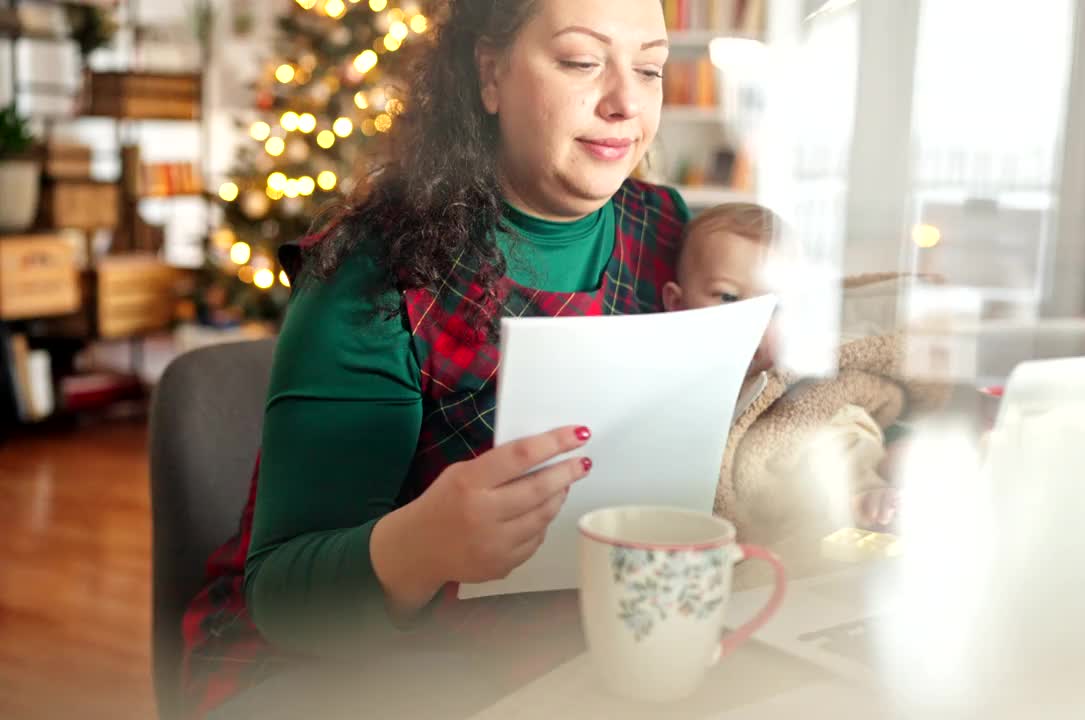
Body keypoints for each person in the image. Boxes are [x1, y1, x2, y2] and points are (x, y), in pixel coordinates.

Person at [180, 1, 687, 716]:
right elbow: (282, 599)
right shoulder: (374, 274)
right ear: (489, 73)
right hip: (340, 667)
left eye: (650, 68)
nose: (625, 102)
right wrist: (424, 544)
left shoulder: (670, 230)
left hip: (575, 649)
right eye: (581, 61)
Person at [660, 203, 946, 539]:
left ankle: (865, 496)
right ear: (676, 303)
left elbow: (840, 430)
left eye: (776, 306)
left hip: (795, 523)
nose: (755, 321)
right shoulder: (668, 378)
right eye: (727, 297)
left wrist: (865, 486)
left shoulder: (794, 383)